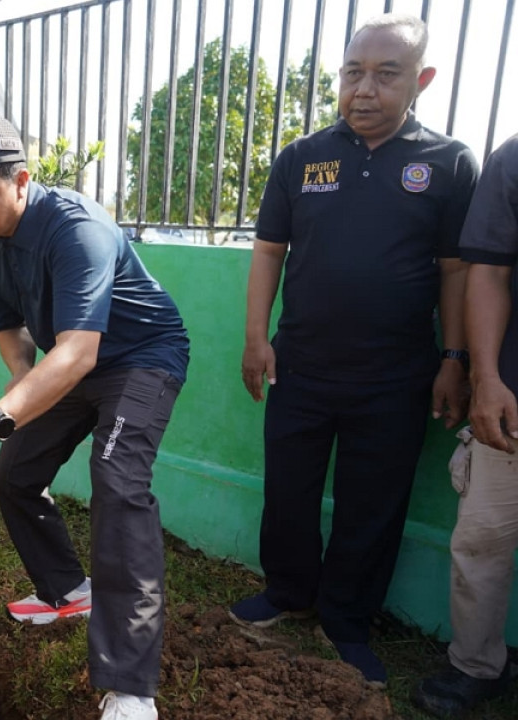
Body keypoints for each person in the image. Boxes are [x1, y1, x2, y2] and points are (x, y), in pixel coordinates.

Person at [231, 13, 478, 688]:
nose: (364, 89)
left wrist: (455, 359)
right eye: (352, 72)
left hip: (397, 374)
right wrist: (257, 338)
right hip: (301, 364)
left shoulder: (448, 163)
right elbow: (268, 252)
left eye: (385, 74)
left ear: (421, 80)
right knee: (289, 489)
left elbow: (457, 270)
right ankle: (287, 592)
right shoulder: (302, 157)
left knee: (374, 503)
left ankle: (345, 620)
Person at [0, 112, 189, 720]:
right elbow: (12, 332)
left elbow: (77, 352)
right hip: (70, 362)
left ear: (20, 180)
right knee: (16, 473)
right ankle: (70, 593)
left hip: (139, 358)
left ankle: (131, 688)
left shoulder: (77, 229)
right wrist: (19, 397)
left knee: (119, 484)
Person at [411, 135, 518, 716]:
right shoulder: (515, 158)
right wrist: (486, 378)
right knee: (481, 539)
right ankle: (477, 664)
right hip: (513, 399)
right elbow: (488, 272)